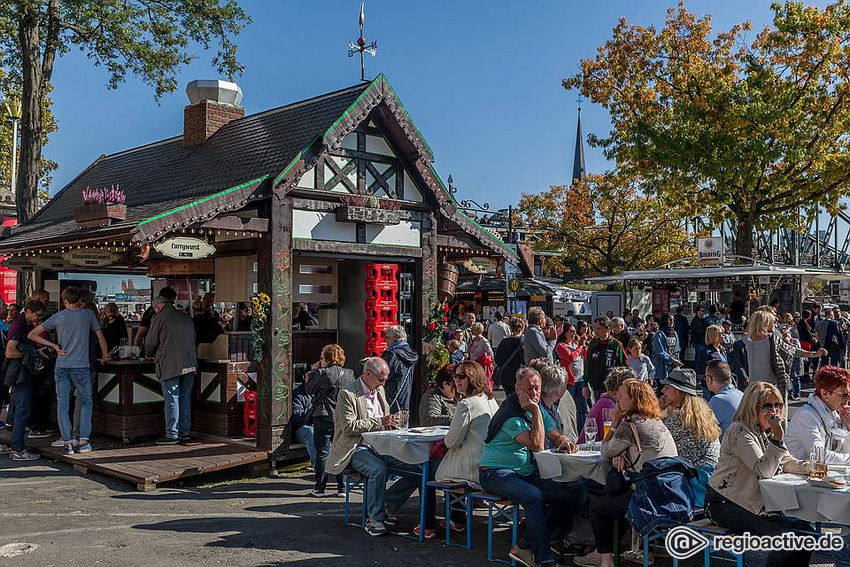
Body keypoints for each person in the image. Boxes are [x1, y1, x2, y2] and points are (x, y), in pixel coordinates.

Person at [479, 366, 587, 566]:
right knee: (533, 496)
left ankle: (527, 544)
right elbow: (537, 444)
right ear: (517, 388)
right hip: (495, 472)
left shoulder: (535, 408)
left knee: (576, 490)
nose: (534, 393)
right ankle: (543, 558)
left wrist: (564, 441)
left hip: (525, 472)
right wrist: (536, 410)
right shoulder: (512, 413)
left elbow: (555, 434)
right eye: (529, 389)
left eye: (537, 388)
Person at [705, 381, 814, 567]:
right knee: (784, 539)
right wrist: (778, 439)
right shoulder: (739, 430)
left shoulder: (766, 432)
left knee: (806, 533)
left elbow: (787, 462)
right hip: (725, 503)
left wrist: (812, 467)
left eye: (778, 405)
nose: (774, 411)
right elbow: (763, 470)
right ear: (752, 407)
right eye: (767, 406)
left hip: (755, 503)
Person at [574, 379, 678, 567]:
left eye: (621, 396)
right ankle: (624, 549)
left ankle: (605, 559)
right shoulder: (656, 421)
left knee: (598, 505)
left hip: (648, 499)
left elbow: (605, 450)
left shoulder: (629, 426)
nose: (617, 400)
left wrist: (614, 423)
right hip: (668, 493)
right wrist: (622, 454)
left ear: (634, 401)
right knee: (617, 497)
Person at [326, 357, 419, 537]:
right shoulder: (348, 393)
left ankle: (386, 505)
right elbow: (348, 427)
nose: (383, 383)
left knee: (416, 467)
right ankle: (374, 520)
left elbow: (383, 419)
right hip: (355, 447)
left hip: (381, 446)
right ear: (367, 374)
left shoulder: (380, 390)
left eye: (385, 379)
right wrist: (380, 421)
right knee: (378, 469)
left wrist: (392, 422)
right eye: (381, 379)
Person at [28, 288, 108, 455]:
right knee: (86, 402)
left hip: (62, 365)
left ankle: (67, 442)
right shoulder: (88, 315)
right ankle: (83, 441)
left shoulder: (58, 317)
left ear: (64, 301)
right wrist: (105, 356)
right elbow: (100, 336)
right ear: (79, 299)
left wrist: (54, 346)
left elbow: (33, 334)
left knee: (62, 404)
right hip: (81, 366)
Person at [659, 368, 720, 506]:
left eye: (668, 387)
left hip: (695, 486)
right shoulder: (703, 413)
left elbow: (660, 450)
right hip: (712, 481)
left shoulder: (678, 418)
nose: (662, 391)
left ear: (679, 392)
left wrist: (657, 412)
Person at [436, 361, 500, 491]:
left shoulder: (466, 404)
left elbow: (452, 442)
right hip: (489, 463)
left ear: (473, 377)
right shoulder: (490, 399)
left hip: (469, 468)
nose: (457, 380)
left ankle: (431, 511)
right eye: (455, 376)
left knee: (430, 466)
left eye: (462, 376)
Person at [144, 295, 197, 445]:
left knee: (172, 399)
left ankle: (172, 434)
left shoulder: (159, 318)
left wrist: (148, 354)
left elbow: (151, 341)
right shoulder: (186, 318)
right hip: (190, 364)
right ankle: (185, 432)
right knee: (185, 398)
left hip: (170, 364)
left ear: (158, 307)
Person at [304, 343, 356, 497]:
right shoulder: (349, 374)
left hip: (324, 415)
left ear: (326, 358)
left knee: (322, 453)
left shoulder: (322, 373)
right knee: (341, 450)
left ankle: (320, 487)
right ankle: (342, 487)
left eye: (322, 357)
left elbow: (308, 390)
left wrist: (312, 373)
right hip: (342, 417)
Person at [4, 301, 46, 461]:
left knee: (20, 410)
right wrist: (29, 354)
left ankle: (17, 447)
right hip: (20, 373)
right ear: (28, 311)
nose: (38, 318)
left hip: (20, 373)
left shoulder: (24, 324)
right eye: (37, 314)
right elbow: (10, 352)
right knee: (23, 410)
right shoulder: (19, 326)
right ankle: (18, 449)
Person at [786, 365, 850, 465]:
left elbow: (843, 451)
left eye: (849, 394)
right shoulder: (806, 415)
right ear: (825, 393)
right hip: (796, 477)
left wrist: (848, 426)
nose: (848, 398)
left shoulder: (833, 413)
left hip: (820, 476)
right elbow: (818, 456)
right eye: (844, 395)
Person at [729, 309, 789, 398]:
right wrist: (746, 380)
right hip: (752, 390)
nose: (775, 325)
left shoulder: (773, 339)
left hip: (770, 388)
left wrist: (812, 354)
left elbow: (790, 349)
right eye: (773, 322)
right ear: (766, 323)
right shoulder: (742, 343)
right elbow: (738, 365)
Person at [578, 367, 635, 444]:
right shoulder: (608, 404)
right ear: (619, 389)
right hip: (590, 451)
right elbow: (607, 439)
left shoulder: (610, 401)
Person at [584, 317, 626, 403]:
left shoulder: (616, 345)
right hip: (596, 386)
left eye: (599, 329)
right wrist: (585, 384)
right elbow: (588, 363)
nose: (596, 331)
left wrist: (621, 384)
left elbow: (623, 365)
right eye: (595, 328)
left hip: (612, 388)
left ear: (608, 329)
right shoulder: (593, 344)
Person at [555, 323, 588, 432]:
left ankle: (581, 431)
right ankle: (568, 431)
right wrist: (580, 347)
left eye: (574, 331)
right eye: (571, 331)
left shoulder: (576, 344)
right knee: (568, 408)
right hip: (570, 382)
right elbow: (571, 357)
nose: (574, 333)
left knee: (582, 409)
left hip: (580, 380)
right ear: (565, 333)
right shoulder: (561, 346)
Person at [380, 325, 419, 413]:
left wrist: (372, 363)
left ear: (394, 338)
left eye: (386, 337)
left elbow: (382, 374)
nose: (385, 340)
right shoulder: (409, 353)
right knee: (402, 424)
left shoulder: (393, 354)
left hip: (391, 397)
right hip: (405, 398)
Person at [706, 360, 743, 439]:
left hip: (727, 449)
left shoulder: (717, 400)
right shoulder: (741, 395)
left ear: (709, 379)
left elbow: (706, 432)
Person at [651, 313, 682, 393]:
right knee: (662, 391)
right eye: (670, 320)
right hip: (662, 367)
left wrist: (677, 360)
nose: (672, 322)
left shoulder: (675, 333)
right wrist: (671, 360)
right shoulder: (659, 334)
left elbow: (677, 349)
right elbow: (660, 351)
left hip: (673, 367)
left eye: (673, 320)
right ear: (665, 321)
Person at [494, 317, 525, 396]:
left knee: (509, 397)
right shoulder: (523, 342)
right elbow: (524, 359)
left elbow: (497, 359)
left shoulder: (503, 342)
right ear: (523, 328)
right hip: (519, 375)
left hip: (506, 376)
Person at [291, 380, 316, 470]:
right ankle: (319, 468)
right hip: (301, 428)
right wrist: (312, 412)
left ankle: (333, 466)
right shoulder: (298, 394)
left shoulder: (320, 392)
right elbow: (296, 415)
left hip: (318, 425)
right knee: (311, 432)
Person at [468, 322, 495, 387]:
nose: (471, 330)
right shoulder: (474, 340)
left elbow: (490, 354)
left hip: (481, 367)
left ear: (478, 330)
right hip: (473, 366)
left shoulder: (484, 342)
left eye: (473, 329)